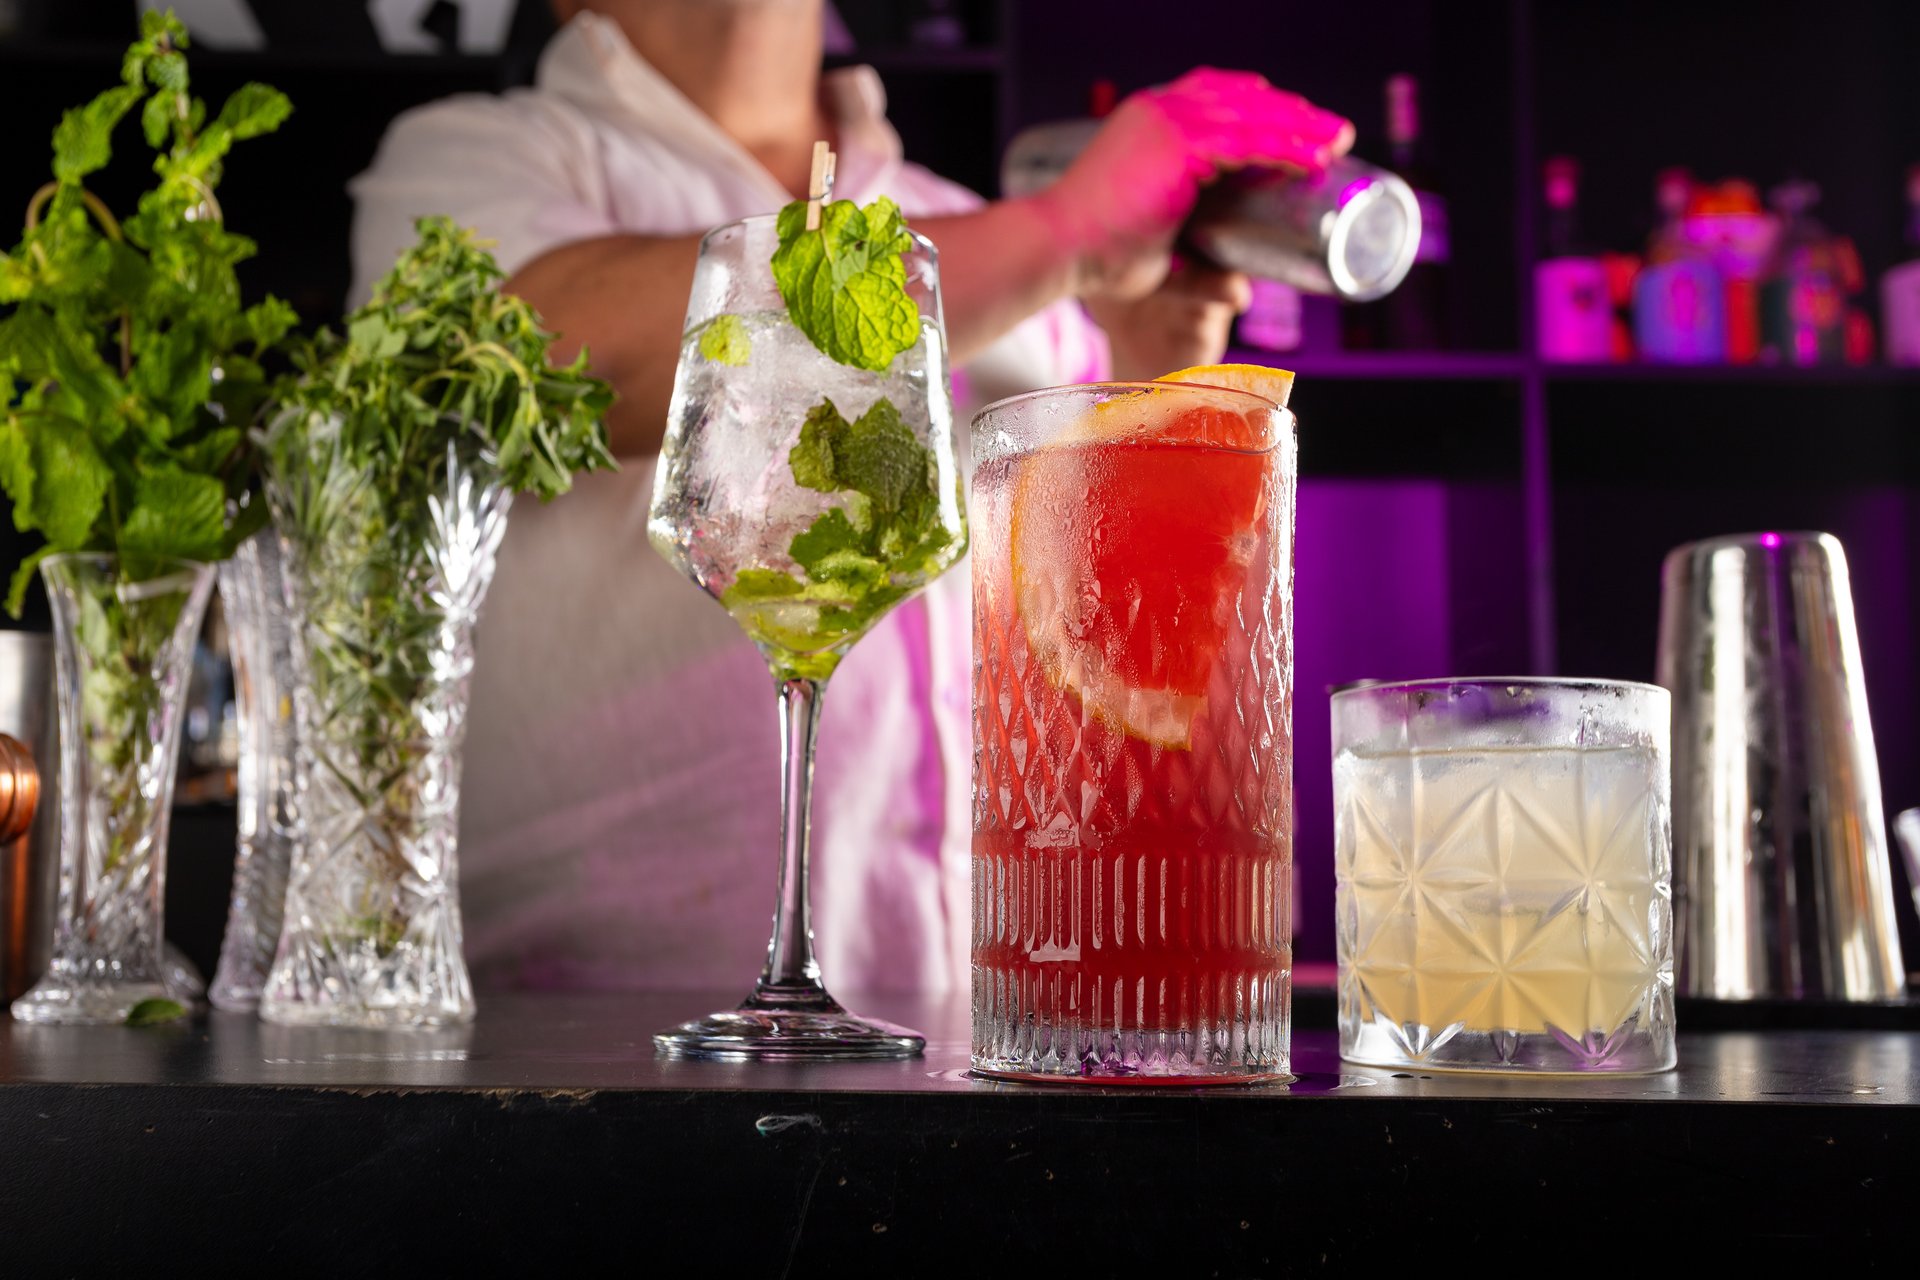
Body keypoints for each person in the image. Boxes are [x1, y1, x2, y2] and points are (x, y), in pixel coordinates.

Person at [348, 0, 1352, 994]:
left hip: (974, 1035)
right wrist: (1067, 231)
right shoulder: (467, 161)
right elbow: (561, 354)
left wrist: (1145, 373)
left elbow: (1107, 644)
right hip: (585, 1050)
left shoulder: (965, 218)